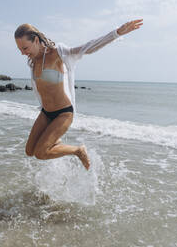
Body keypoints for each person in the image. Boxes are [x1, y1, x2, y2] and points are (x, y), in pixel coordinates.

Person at [15, 19, 143, 170]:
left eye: (25, 48)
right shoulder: (33, 61)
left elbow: (88, 47)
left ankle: (78, 150)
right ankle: (55, 143)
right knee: (30, 151)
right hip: (46, 112)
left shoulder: (58, 53)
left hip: (63, 113)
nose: (23, 53)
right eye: (20, 50)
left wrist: (116, 33)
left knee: (41, 153)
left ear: (36, 40)